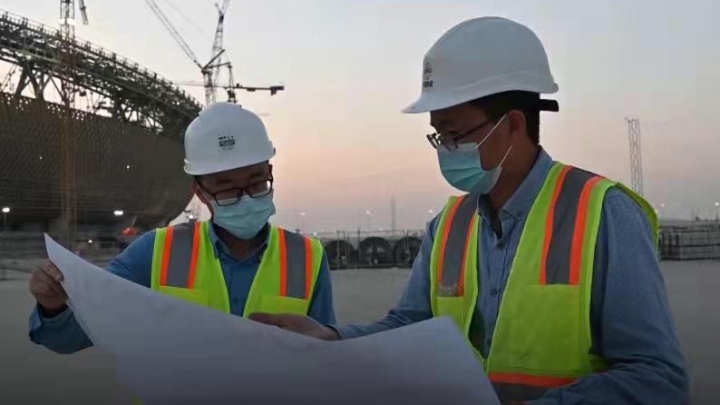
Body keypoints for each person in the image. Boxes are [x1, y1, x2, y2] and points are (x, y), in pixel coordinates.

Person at [249, 17, 689, 405]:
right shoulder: (448, 226)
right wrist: (333, 338)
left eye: (454, 134)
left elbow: (657, 378)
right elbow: (412, 326)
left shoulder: (604, 214)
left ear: (513, 125)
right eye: (438, 136)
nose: (444, 149)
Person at [29, 102, 336, 354]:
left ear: (270, 172)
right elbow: (70, 337)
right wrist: (53, 306)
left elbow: (326, 355)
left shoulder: (307, 257)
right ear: (200, 192)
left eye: (256, 182)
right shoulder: (153, 253)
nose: (244, 197)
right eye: (226, 188)